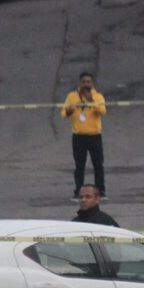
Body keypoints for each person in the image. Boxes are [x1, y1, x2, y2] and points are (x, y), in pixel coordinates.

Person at [61, 71, 107, 201]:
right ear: (79, 83)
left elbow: (103, 111)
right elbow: (64, 114)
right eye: (84, 82)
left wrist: (91, 100)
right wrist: (71, 109)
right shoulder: (72, 96)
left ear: (92, 84)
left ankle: (100, 191)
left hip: (94, 136)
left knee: (98, 164)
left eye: (88, 82)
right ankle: (78, 192)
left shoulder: (98, 97)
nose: (86, 84)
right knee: (79, 165)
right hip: (79, 137)